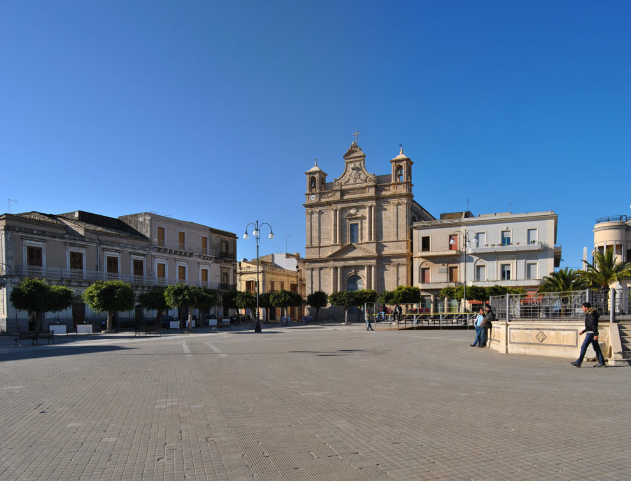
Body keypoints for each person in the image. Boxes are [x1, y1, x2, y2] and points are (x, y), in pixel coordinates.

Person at [571, 302, 606, 368]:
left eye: (583, 307)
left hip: (591, 333)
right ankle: (601, 362)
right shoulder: (590, 314)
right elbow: (589, 325)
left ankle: (578, 362)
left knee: (583, 347)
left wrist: (595, 334)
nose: (582, 309)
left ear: (586, 308)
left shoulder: (590, 315)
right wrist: (583, 331)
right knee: (596, 348)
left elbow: (593, 325)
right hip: (591, 332)